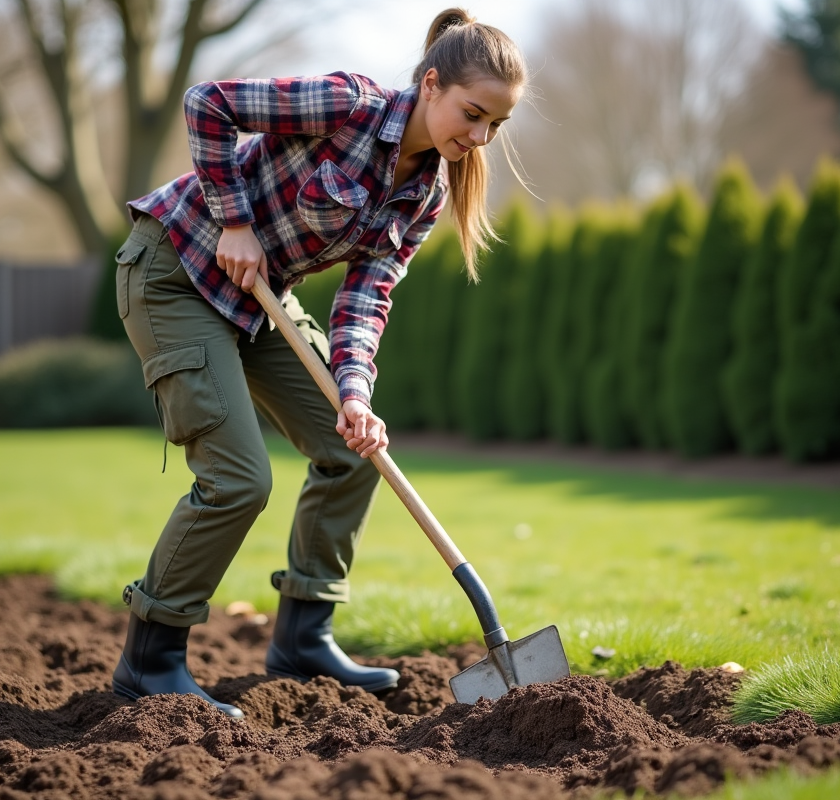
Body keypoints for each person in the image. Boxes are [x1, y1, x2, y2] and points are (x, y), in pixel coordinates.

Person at [110, 7, 529, 718]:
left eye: (496, 123)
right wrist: (234, 219)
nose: (481, 136)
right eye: (473, 112)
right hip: (175, 271)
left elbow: (366, 300)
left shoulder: (423, 193)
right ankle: (151, 659)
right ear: (431, 84)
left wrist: (357, 397)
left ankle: (304, 638)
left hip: (255, 299)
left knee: (353, 448)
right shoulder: (348, 106)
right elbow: (207, 105)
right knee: (240, 479)